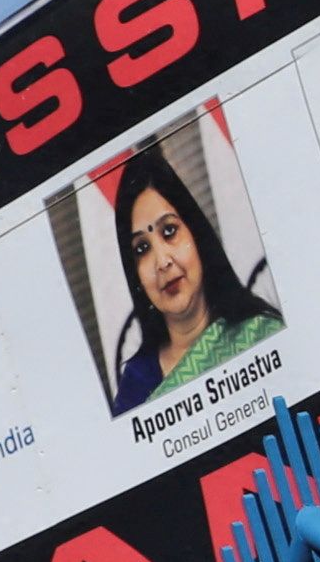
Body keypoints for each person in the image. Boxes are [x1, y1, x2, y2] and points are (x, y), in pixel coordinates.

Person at [100, 139, 284, 412]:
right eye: (142, 249)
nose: (162, 262)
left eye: (170, 231)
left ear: (197, 234)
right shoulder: (136, 389)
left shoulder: (261, 335)